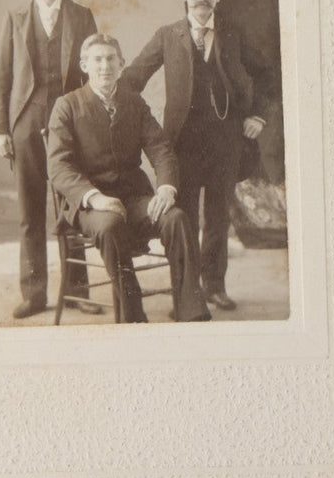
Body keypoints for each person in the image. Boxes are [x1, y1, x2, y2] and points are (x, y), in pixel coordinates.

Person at [120, 0, 278, 311]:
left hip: (226, 141)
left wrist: (258, 115)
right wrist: (104, 98)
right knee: (185, 217)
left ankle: (215, 286)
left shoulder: (233, 34)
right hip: (183, 144)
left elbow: (267, 75)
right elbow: (134, 76)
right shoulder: (168, 35)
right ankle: (186, 291)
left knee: (219, 216)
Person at [47, 34, 211, 323]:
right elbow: (59, 167)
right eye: (97, 60)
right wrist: (95, 197)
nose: (104, 66)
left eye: (111, 59)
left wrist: (166, 189)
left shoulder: (133, 102)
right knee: (110, 224)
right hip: (89, 205)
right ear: (84, 65)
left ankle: (191, 311)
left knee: (174, 218)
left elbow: (161, 149)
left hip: (133, 199)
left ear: (122, 66)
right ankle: (133, 317)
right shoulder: (67, 106)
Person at [0, 0, 100, 320]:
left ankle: (78, 289)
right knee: (30, 211)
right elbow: (3, 76)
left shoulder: (82, 16)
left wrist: (94, 123)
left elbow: (94, 75)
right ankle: (34, 293)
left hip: (70, 124)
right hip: (26, 122)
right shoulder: (16, 17)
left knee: (73, 205)